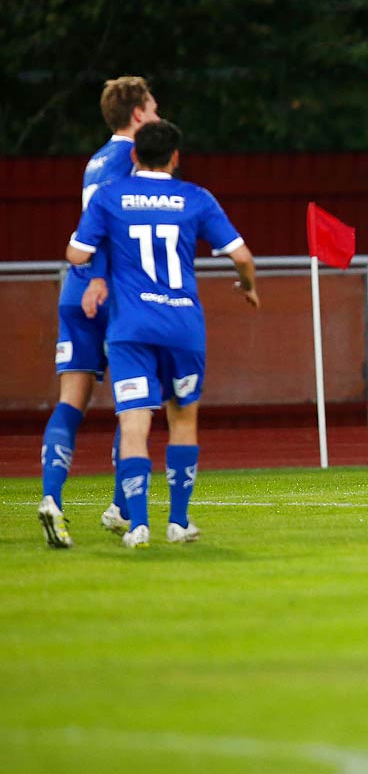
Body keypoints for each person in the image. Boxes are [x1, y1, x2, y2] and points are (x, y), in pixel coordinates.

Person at [60, 121, 259, 548]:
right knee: (182, 418)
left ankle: (138, 525)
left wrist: (96, 259)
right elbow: (242, 256)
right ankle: (179, 521)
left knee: (134, 422)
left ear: (133, 156)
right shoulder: (195, 197)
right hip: (182, 326)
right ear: (175, 157)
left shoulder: (111, 197)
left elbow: (76, 251)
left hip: (130, 328)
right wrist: (249, 287)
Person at [39, 76, 161, 546]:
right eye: (152, 109)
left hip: (76, 289)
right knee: (137, 399)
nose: (156, 117)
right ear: (136, 115)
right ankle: (121, 506)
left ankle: (53, 498)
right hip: (108, 290)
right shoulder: (130, 159)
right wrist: (105, 280)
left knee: (72, 400)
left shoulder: (95, 160)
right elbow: (110, 225)